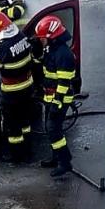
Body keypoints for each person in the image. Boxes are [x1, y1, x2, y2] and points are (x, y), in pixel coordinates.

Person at [0, 10, 36, 162]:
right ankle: (28, 150)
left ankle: (15, 156)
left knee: (13, 125)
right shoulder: (21, 36)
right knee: (25, 121)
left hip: (11, 92)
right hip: (27, 86)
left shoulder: (3, 48)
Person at [34, 14, 77, 178]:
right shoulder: (52, 49)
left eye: (42, 38)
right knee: (49, 128)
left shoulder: (63, 55)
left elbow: (64, 83)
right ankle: (55, 157)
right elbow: (45, 66)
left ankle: (65, 162)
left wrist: (57, 103)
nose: (40, 40)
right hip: (49, 97)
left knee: (54, 130)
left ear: (52, 37)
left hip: (59, 99)